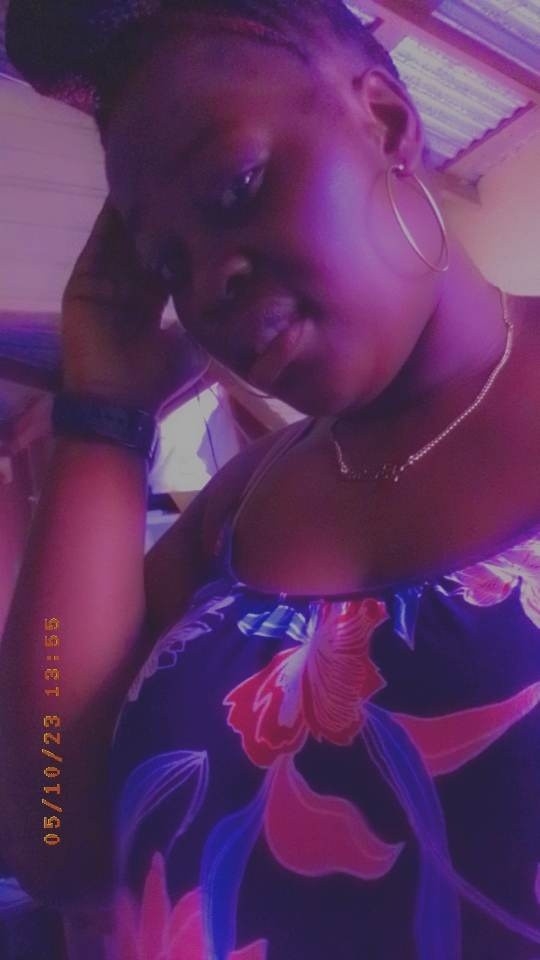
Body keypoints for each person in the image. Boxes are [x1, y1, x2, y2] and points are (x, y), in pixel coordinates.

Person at [1, 2, 540, 958]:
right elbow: (53, 838)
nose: (208, 282)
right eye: (169, 261)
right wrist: (103, 412)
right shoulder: (239, 510)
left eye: (236, 187)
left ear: (386, 122)